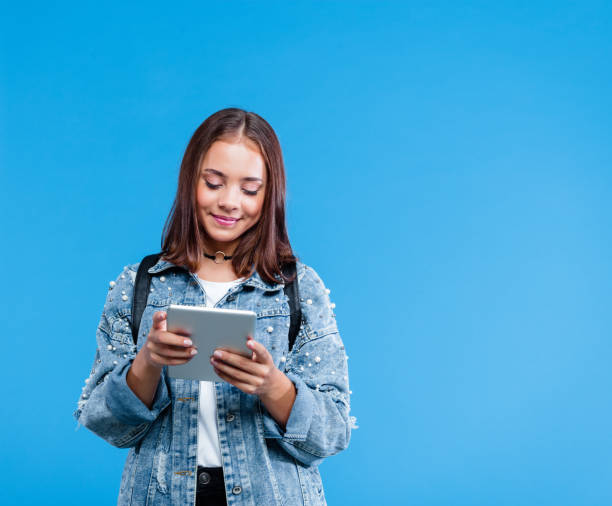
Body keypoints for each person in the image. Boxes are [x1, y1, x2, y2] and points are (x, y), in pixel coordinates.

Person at [73, 108, 354, 506]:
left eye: (249, 189)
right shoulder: (139, 284)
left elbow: (334, 432)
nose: (229, 202)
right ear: (191, 181)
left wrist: (272, 385)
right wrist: (148, 363)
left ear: (270, 194)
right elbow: (105, 422)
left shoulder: (297, 288)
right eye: (214, 183)